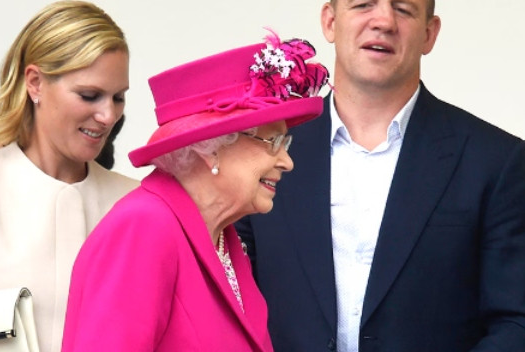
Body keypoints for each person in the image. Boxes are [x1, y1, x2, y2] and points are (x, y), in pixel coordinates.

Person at [234, 0, 525, 351]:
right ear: (330, 21)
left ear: (429, 33)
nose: (384, 21)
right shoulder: (262, 151)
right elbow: (224, 303)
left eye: (403, 9)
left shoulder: (493, 162)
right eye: (363, 4)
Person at [61, 32, 329, 352]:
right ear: (211, 149)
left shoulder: (222, 237)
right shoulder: (144, 226)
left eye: (285, 143)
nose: (286, 161)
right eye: (272, 142)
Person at [0, 0, 139, 352]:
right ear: (35, 83)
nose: (108, 115)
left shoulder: (134, 202)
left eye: (118, 98)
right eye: (90, 95)